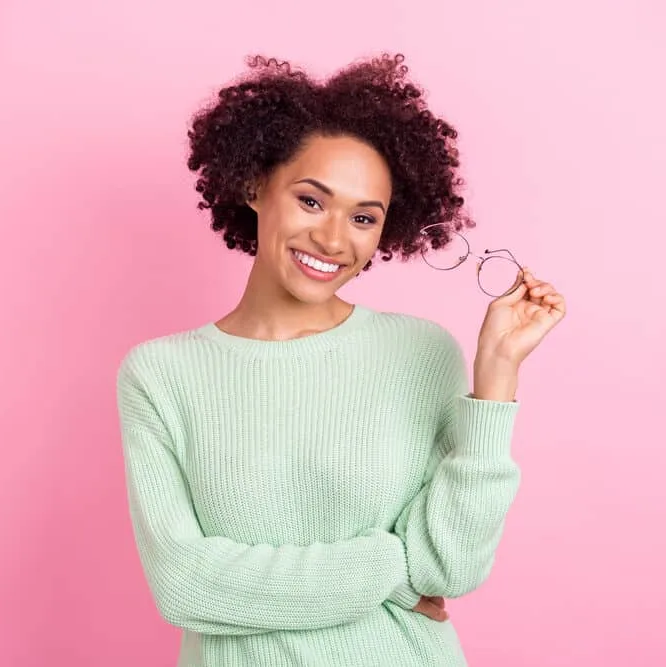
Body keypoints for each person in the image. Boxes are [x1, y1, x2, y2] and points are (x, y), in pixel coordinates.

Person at [116, 53, 566, 666]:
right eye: (310, 201)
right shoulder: (161, 375)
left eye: (363, 218)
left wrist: (496, 377)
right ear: (255, 186)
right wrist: (390, 563)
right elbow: (187, 586)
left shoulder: (421, 353)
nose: (333, 239)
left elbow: (450, 566)